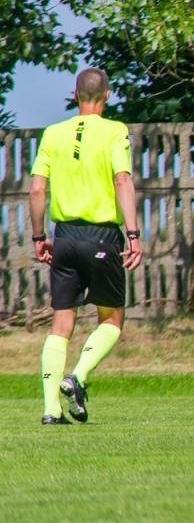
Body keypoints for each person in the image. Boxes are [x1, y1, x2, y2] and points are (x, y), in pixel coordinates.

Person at [27, 68, 143, 425]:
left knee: (61, 325)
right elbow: (122, 179)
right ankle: (77, 377)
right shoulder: (114, 131)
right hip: (101, 237)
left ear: (75, 95)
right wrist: (134, 234)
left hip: (63, 237)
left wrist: (38, 236)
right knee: (112, 319)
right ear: (106, 95)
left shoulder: (53, 134)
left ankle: (50, 411)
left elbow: (36, 189)